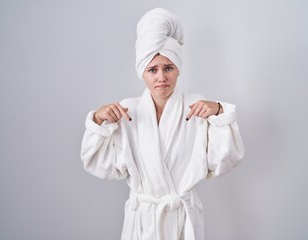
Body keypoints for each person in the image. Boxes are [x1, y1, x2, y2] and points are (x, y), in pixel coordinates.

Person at [80, 7, 245, 240]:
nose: (161, 77)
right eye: (152, 69)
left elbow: (223, 161)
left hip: (183, 221)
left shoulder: (197, 106)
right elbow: (100, 164)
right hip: (143, 222)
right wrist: (98, 121)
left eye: (168, 68)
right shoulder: (128, 110)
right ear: (142, 73)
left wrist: (219, 112)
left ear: (178, 70)